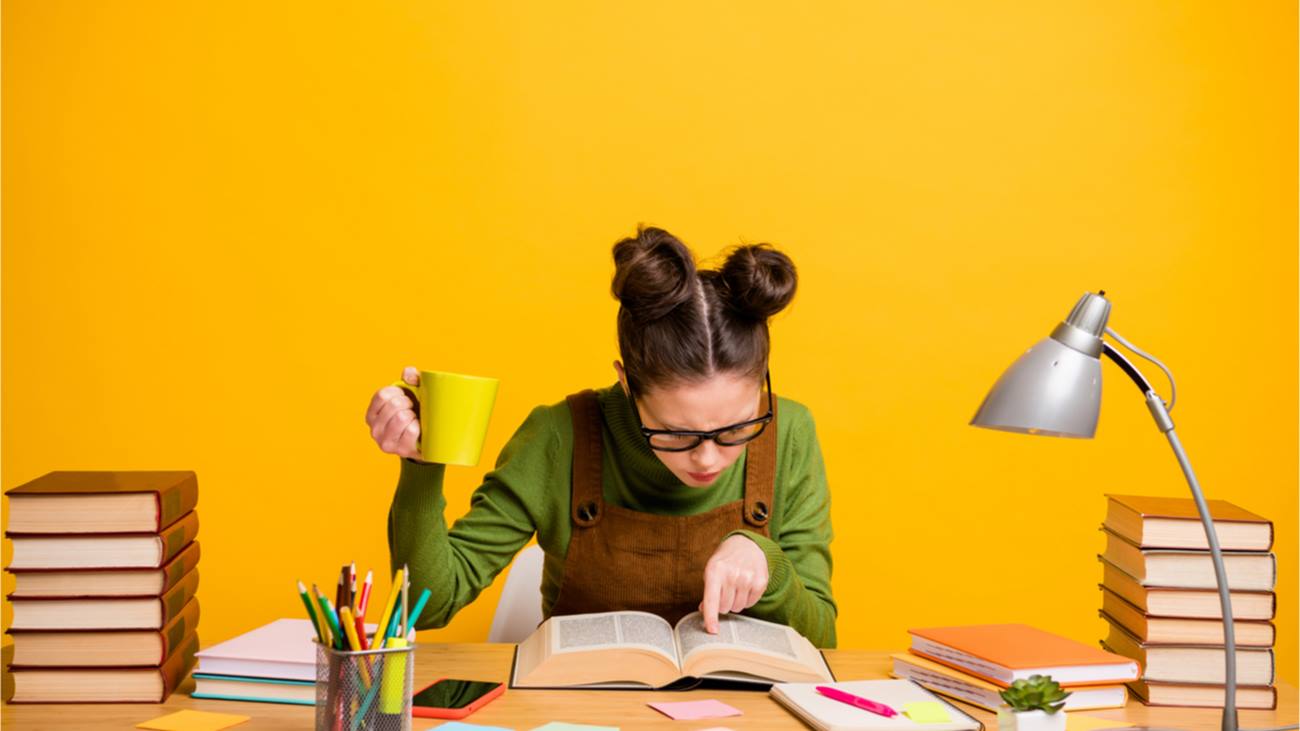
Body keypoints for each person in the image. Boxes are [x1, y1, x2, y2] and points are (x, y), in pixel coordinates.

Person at [369, 226, 836, 646]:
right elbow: (424, 609)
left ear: (762, 383)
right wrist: (420, 466)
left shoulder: (790, 432)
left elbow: (824, 640)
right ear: (626, 383)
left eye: (736, 429)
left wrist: (766, 561)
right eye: (676, 433)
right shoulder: (559, 436)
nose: (709, 459)